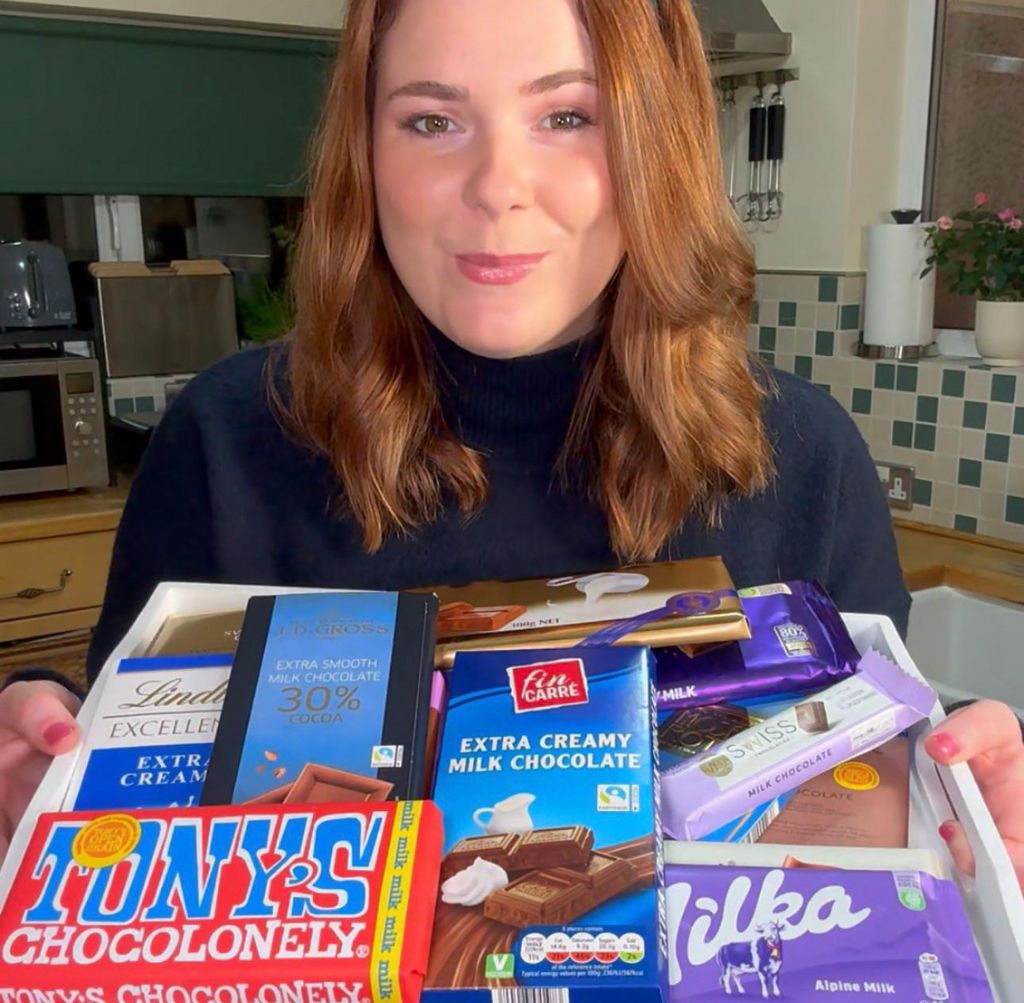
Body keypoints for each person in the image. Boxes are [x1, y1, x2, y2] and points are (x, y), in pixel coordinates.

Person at [0, 0, 1021, 885]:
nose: (497, 186)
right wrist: (36, 756)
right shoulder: (225, 441)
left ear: (657, 146)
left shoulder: (800, 457)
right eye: (432, 120)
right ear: (365, 153)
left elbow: (876, 777)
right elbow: (126, 776)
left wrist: (975, 786)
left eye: (568, 116)